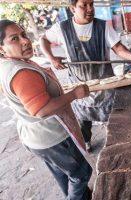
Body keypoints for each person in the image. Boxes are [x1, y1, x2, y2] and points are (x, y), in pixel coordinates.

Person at [0, 19, 92, 200]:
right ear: (1, 49)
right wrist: (74, 94)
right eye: (14, 39)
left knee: (63, 173)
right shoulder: (21, 72)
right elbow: (41, 110)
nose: (25, 41)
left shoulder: (8, 66)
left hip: (33, 137)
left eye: (23, 35)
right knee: (81, 173)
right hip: (51, 137)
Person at [39, 0, 131, 152]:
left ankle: (115, 143)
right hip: (79, 86)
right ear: (72, 8)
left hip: (105, 85)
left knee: (112, 118)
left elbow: (119, 49)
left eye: (91, 4)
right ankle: (86, 140)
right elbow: (44, 39)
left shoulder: (103, 27)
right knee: (83, 119)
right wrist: (52, 58)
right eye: (84, 5)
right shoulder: (62, 28)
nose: (90, 9)